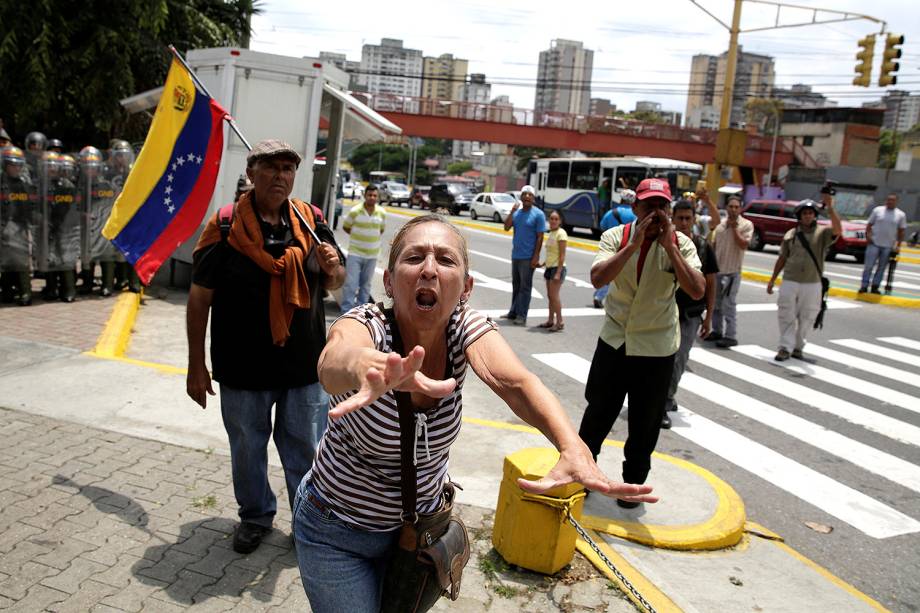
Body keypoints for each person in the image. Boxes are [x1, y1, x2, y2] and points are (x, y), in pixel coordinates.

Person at [293, 214, 657, 612]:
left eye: (445, 260)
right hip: (335, 530)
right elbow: (332, 361)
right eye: (414, 258)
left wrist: (573, 447)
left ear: (465, 288)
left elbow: (516, 383)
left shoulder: (464, 328)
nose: (429, 269)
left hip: (417, 537)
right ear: (389, 280)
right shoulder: (368, 324)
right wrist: (363, 363)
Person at [186, 139, 345, 554]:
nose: (280, 176)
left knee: (305, 449)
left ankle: (308, 522)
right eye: (270, 168)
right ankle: (255, 516)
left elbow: (335, 281)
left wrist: (331, 268)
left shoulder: (310, 220)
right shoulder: (223, 227)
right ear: (251, 174)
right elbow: (200, 298)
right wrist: (195, 365)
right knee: (247, 447)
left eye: (287, 169)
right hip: (241, 365)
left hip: (303, 364)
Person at [578, 178, 704, 506]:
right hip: (615, 341)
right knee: (597, 414)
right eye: (649, 207)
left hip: (656, 348)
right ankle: (583, 475)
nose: (657, 213)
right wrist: (632, 246)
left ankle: (633, 484)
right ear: (635, 208)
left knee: (645, 422)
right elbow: (597, 279)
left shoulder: (682, 244)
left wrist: (671, 249)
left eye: (662, 207)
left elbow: (696, 289)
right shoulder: (614, 237)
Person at [663, 199, 719, 428]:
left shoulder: (703, 246)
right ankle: (662, 401)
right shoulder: (665, 244)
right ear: (672, 219)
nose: (684, 223)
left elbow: (711, 282)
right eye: (680, 218)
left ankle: (666, 398)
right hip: (664, 311)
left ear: (694, 220)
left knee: (679, 358)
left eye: (688, 218)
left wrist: (710, 316)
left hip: (691, 314)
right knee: (663, 360)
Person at [767, 196, 841, 361]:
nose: (807, 216)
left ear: (815, 215)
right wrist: (772, 279)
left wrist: (830, 208)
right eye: (804, 213)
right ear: (799, 216)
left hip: (812, 283)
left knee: (807, 316)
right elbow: (782, 258)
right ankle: (785, 347)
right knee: (786, 314)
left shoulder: (822, 233)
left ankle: (798, 346)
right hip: (790, 280)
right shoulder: (791, 234)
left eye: (810, 213)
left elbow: (837, 230)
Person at [705, 193, 753, 348]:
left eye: (736, 207)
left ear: (740, 209)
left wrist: (734, 229)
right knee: (715, 304)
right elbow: (713, 248)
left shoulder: (746, 225)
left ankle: (730, 335)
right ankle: (717, 331)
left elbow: (744, 244)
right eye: (731, 206)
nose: (733, 209)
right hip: (718, 272)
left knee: (729, 305)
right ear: (726, 208)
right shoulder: (720, 227)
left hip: (732, 273)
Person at [502, 184, 546, 325]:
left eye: (530, 195)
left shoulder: (538, 214)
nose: (527, 197)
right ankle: (513, 312)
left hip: (528, 257)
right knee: (516, 285)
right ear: (521, 197)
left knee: (525, 287)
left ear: (533, 198)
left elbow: (540, 237)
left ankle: (522, 315)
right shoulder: (517, 213)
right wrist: (511, 211)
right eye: (524, 194)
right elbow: (506, 227)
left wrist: (536, 256)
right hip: (516, 255)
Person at [340, 184, 385, 312]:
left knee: (366, 286)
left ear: (377, 197)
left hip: (372, 255)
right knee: (351, 285)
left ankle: (361, 313)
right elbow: (346, 227)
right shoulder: (355, 211)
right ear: (365, 196)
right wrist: (359, 237)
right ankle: (346, 312)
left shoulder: (381, 213)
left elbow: (381, 230)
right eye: (369, 195)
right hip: (355, 253)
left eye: (374, 195)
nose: (372, 197)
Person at [0, 145, 35, 306]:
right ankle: (7, 291)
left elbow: (29, 207)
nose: (15, 168)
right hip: (2, 226)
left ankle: (25, 292)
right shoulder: (1, 183)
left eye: (18, 165)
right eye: (12, 165)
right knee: (5, 262)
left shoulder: (24, 184)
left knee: (21, 261)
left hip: (19, 227)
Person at [593, 189, 637, 308]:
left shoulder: (610, 213)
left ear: (621, 199)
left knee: (608, 271)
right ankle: (602, 296)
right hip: (627, 250)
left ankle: (599, 294)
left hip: (611, 248)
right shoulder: (635, 215)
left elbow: (602, 226)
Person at [859, 193, 907, 294]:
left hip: (888, 246)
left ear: (896, 202)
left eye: (892, 200)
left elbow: (901, 231)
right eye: (888, 200)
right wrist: (868, 236)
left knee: (881, 268)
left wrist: (898, 246)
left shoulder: (900, 215)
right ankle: (864, 286)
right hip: (874, 243)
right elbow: (869, 225)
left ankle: (875, 287)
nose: (890, 202)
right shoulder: (878, 210)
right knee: (868, 266)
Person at [538, 209, 567, 332]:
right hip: (549, 268)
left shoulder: (561, 234)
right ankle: (550, 320)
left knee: (554, 296)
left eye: (556, 219)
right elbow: (551, 253)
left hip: (557, 268)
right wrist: (543, 264)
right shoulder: (551, 233)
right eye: (551, 219)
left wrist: (558, 272)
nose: (553, 221)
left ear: (560, 221)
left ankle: (560, 321)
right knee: (550, 296)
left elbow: (562, 255)